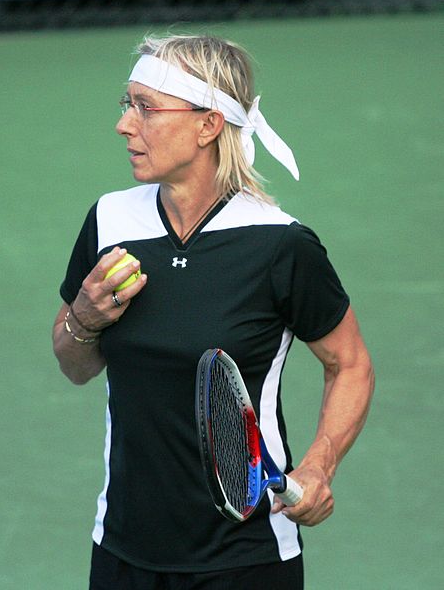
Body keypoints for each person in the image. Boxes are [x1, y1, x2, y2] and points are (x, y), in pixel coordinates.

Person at [52, 34, 374, 590]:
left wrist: (320, 463)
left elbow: (350, 364)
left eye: (146, 108)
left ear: (207, 125)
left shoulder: (279, 245)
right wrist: (83, 317)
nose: (124, 125)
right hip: (123, 547)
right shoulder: (109, 221)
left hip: (246, 556)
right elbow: (75, 365)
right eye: (125, 104)